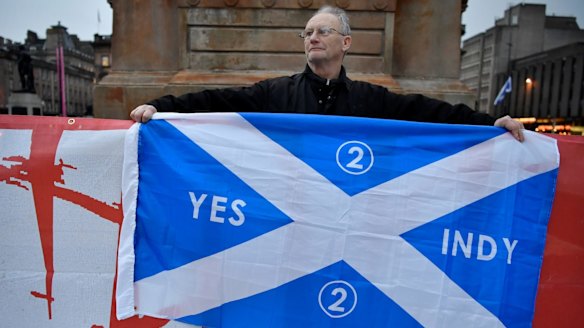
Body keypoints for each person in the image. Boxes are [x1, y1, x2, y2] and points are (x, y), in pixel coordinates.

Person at [131, 6, 524, 142]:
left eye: (323, 31)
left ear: (346, 43)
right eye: (307, 32)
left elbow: (428, 111)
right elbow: (217, 101)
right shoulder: (276, 92)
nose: (313, 37)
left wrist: (491, 123)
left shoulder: (371, 99)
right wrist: (160, 107)